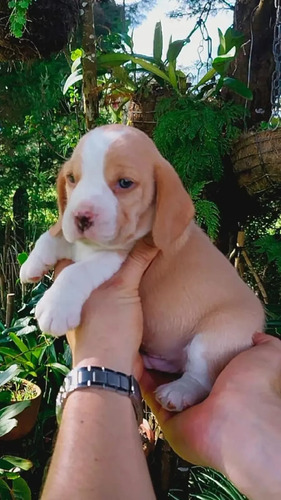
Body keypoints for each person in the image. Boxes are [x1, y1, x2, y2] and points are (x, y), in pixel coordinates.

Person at [41, 239, 281, 500]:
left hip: (219, 324)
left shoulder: (157, 231)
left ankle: (197, 379)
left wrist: (99, 359)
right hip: (163, 345)